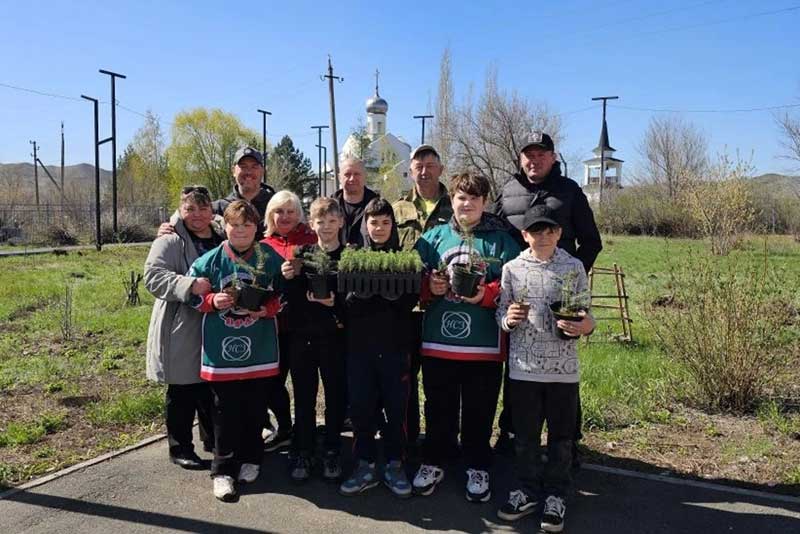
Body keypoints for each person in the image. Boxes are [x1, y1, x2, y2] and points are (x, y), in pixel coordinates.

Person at [490, 131, 602, 457]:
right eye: (528, 154)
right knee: (518, 365)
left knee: (561, 367)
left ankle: (568, 442)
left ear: (552, 157)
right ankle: (512, 435)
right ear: (520, 158)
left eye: (541, 154)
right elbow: (496, 237)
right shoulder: (508, 191)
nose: (533, 160)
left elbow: (591, 241)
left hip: (558, 300)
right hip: (519, 293)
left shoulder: (569, 191)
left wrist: (569, 280)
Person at [413, 173, 520, 502]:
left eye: (474, 198)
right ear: (452, 200)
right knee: (438, 407)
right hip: (438, 342)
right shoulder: (431, 238)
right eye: (461, 197)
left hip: (483, 345)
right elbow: (410, 284)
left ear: (484, 203)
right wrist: (428, 288)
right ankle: (435, 459)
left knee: (480, 408)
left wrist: (485, 295)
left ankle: (477, 463)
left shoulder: (502, 241)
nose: (467, 203)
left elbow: (516, 284)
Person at [495, 205, 595, 533]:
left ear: (559, 233)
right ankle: (526, 490)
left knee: (561, 439)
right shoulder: (512, 269)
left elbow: (586, 313)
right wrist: (508, 320)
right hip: (523, 368)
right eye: (536, 230)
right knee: (524, 437)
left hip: (563, 370)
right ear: (525, 235)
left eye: (549, 230)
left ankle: (556, 494)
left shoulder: (573, 266)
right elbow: (501, 313)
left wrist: (586, 326)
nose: (543, 236)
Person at [188, 200, 284, 502]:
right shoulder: (210, 261)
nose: (240, 231)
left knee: (256, 408)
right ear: (224, 227)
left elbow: (284, 297)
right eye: (234, 225)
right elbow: (191, 297)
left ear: (257, 227)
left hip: (260, 348)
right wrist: (211, 302)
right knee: (223, 413)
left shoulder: (270, 258)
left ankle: (252, 459)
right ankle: (222, 470)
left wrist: (266, 310)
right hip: (222, 351)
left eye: (247, 225)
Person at [338, 198, 417, 499]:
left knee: (397, 411)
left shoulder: (405, 259)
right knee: (361, 409)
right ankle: (365, 464)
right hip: (359, 350)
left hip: (396, 349)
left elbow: (410, 302)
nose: (379, 228)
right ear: (365, 226)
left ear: (392, 226)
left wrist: (392, 295)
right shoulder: (352, 258)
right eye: (374, 222)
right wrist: (359, 295)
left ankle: (395, 464)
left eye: (385, 222)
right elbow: (344, 304)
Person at [144, 185, 223, 470]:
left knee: (210, 390)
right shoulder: (170, 240)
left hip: (216, 324)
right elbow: (153, 277)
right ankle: (180, 448)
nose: (197, 215)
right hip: (182, 326)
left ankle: (214, 442)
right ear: (181, 210)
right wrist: (189, 285)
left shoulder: (221, 237)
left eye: (203, 208)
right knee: (182, 390)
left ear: (211, 211)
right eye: (190, 209)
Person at [280, 197, 347, 482]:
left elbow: (354, 301)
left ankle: (332, 449)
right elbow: (288, 298)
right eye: (321, 222)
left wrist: (336, 305)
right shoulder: (301, 254)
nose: (327, 227)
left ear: (341, 222)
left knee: (336, 397)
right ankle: (303, 449)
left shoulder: (349, 256)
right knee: (304, 398)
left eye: (332, 221)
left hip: (335, 338)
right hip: (303, 338)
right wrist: (287, 277)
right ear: (312, 224)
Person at [392, 144, 453, 451]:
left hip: (444, 309)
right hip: (407, 310)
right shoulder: (397, 208)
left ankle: (440, 443)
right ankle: (408, 441)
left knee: (439, 381)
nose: (425, 171)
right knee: (405, 379)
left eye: (431, 165)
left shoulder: (457, 206)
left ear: (441, 169)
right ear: (411, 171)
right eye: (419, 166)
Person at [259, 191, 317, 452]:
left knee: (304, 386)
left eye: (290, 211)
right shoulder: (263, 244)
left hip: (304, 326)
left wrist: (302, 267)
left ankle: (306, 438)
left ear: (299, 214)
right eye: (279, 211)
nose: (284, 216)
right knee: (272, 383)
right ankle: (284, 426)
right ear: (270, 215)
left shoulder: (310, 238)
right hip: (272, 328)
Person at [158, 146, 275, 240]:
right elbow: (189, 216)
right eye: (243, 167)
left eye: (254, 167)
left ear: (262, 171)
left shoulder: (277, 206)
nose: (248, 172)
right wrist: (170, 227)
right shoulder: (217, 208)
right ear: (233, 171)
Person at [333, 156, 379, 246]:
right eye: (347, 174)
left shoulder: (378, 207)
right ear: (339, 178)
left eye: (357, 174)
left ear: (365, 176)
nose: (352, 179)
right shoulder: (330, 207)